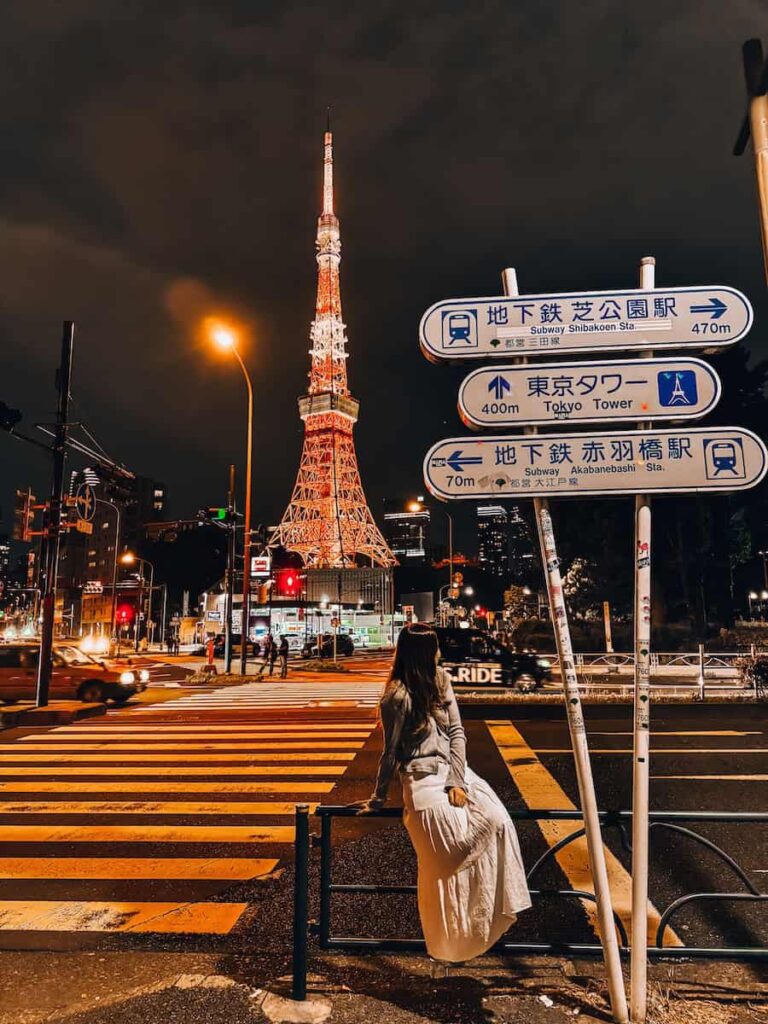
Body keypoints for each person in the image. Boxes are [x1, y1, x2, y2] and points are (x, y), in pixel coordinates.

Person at [351, 623, 531, 963]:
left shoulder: (441, 680)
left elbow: (458, 732)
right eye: (434, 648)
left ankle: (475, 935)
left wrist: (457, 781)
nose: (440, 653)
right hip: (421, 787)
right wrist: (377, 798)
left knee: (497, 820)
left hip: (455, 775)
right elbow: (389, 753)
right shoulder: (396, 697)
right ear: (420, 654)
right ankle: (451, 946)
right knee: (444, 869)